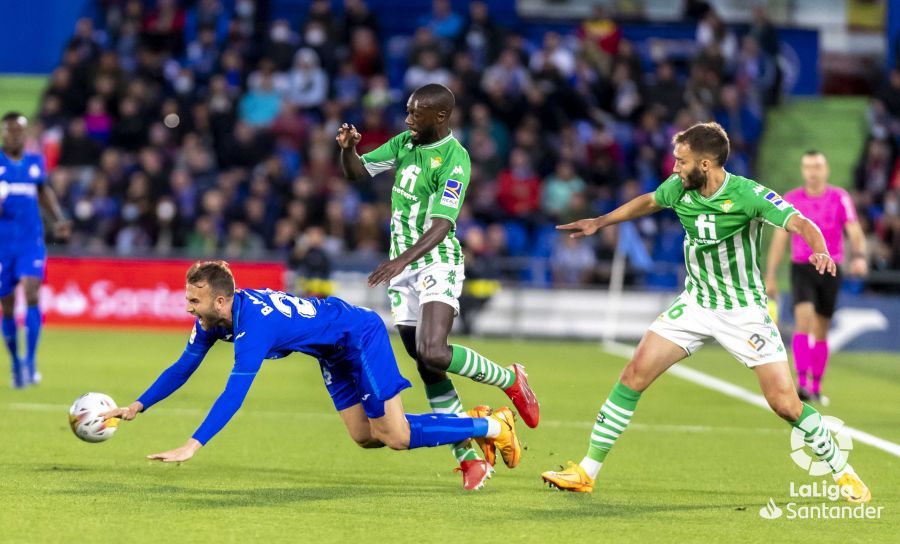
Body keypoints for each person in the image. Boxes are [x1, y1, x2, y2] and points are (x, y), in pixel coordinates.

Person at [541, 122, 871, 503]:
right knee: (633, 375)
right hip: (696, 303)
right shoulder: (679, 186)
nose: (675, 167)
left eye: (681, 161)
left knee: (786, 404)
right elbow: (650, 200)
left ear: (707, 163)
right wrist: (600, 221)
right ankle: (586, 471)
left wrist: (821, 249)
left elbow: (799, 222)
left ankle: (843, 472)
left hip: (743, 311)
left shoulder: (747, 194)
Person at [100, 261, 521, 487]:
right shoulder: (215, 320)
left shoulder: (253, 327)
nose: (188, 308)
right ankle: (474, 425)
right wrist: (138, 405)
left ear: (222, 300)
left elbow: (234, 393)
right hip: (331, 352)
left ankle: (491, 425)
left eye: (195, 300)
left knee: (394, 437)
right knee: (364, 437)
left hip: (359, 336)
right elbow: (184, 366)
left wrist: (193, 445)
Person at [336, 83, 539, 490]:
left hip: (435, 261)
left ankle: (509, 379)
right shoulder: (404, 143)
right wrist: (347, 149)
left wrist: (399, 260)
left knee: (434, 350)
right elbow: (357, 173)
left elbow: (442, 225)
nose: (407, 118)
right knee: (426, 364)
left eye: (415, 113)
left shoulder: (455, 159)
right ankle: (468, 458)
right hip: (403, 268)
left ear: (440, 117)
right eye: (408, 110)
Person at [765, 150, 868, 403]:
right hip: (802, 266)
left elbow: (854, 231)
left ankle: (816, 386)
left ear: (826, 170)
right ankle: (800, 384)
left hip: (831, 267)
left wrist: (859, 257)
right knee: (804, 320)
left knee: (821, 330)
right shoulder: (791, 200)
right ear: (803, 171)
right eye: (808, 167)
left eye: (817, 166)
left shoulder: (840, 197)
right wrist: (771, 276)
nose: (813, 172)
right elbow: (779, 240)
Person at [0, 112, 71, 388]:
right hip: (3, 245)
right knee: (6, 305)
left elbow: (44, 193)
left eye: (19, 130)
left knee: (31, 291)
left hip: (31, 242)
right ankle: (16, 363)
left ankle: (30, 361)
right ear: (4, 133)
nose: (14, 135)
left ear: (25, 134)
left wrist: (59, 220)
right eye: (9, 130)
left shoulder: (34, 162)